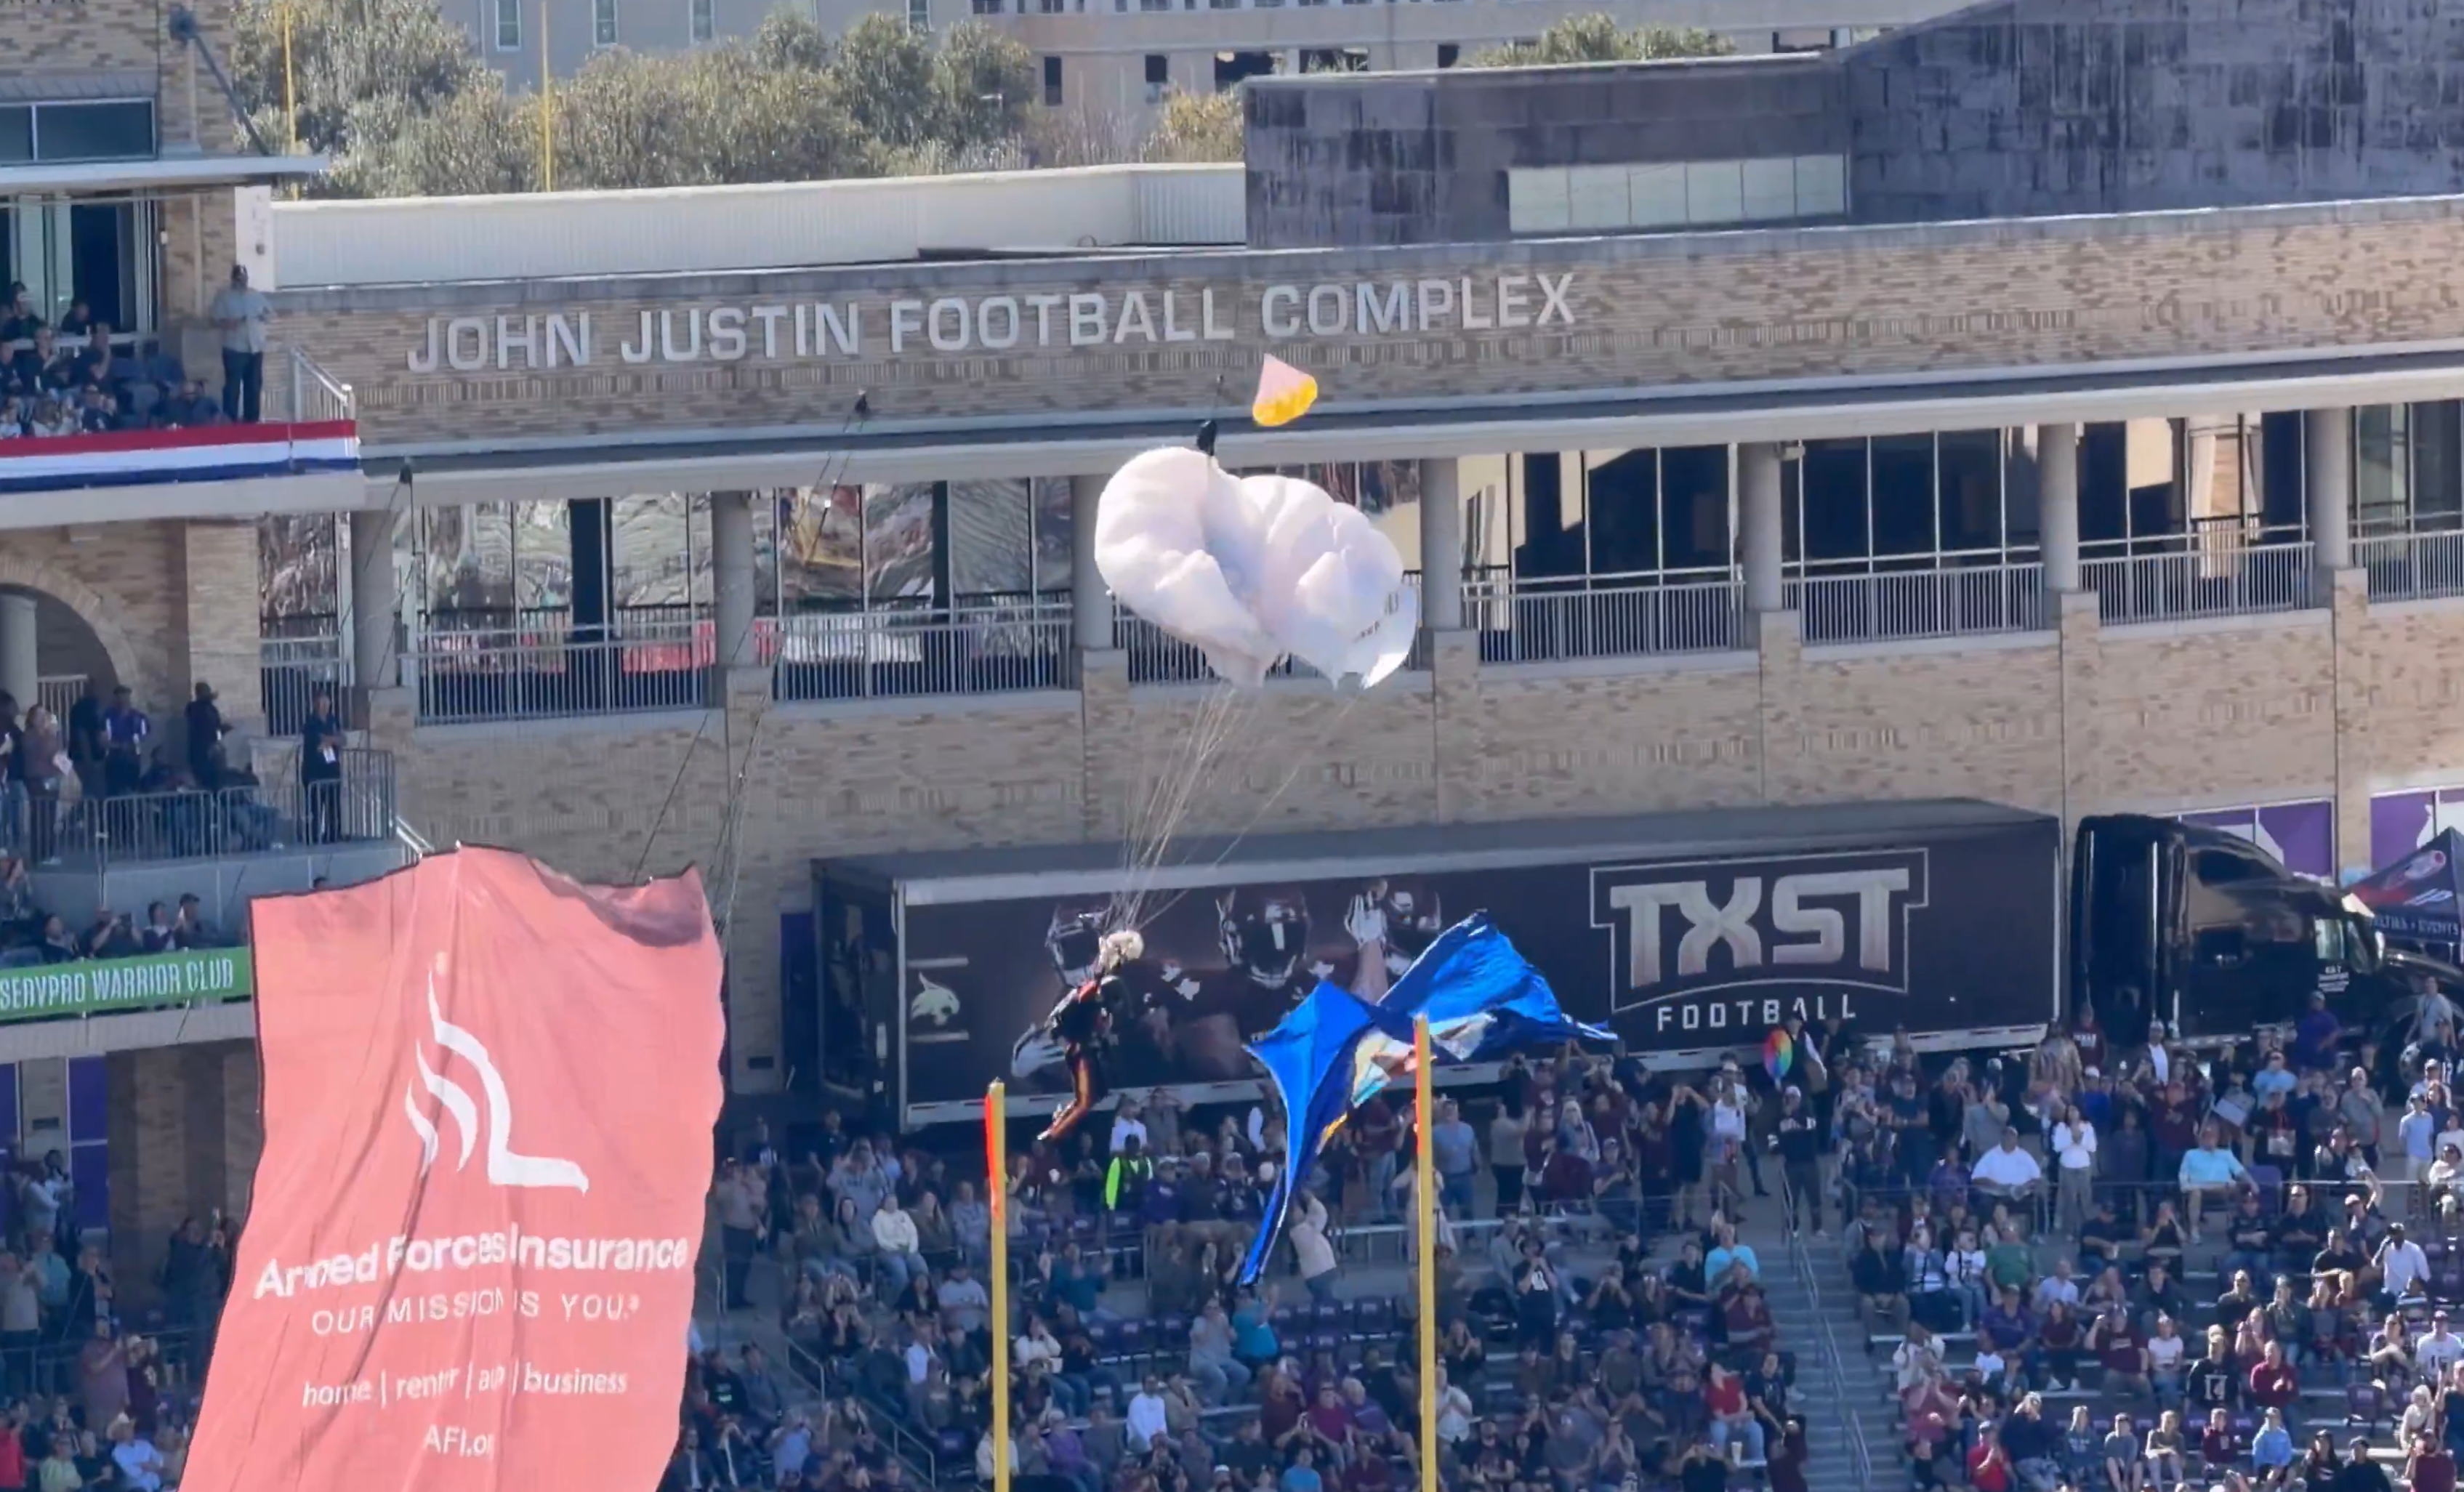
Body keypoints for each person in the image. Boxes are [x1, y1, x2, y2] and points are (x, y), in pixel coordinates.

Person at [1031, 930, 1154, 1144]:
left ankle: (1055, 1128)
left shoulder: (1096, 996)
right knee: (1085, 1101)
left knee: (1093, 1096)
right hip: (1081, 1050)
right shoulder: (1090, 993)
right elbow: (1080, 1002)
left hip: (1087, 1049)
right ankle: (1052, 1134)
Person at [207, 266, 269, 424]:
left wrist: (263, 316)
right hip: (234, 348)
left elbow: (269, 313)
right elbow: (214, 320)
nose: (242, 282)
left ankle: (252, 420)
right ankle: (230, 420)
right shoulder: (224, 297)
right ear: (233, 279)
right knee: (232, 387)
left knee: (254, 386)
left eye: (244, 279)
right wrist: (229, 323)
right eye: (239, 279)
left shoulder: (255, 295)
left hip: (254, 348)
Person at [299, 688, 344, 844]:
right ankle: (314, 838)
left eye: (327, 702)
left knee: (334, 807)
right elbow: (318, 741)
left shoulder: (333, 720)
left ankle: (334, 835)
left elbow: (341, 740)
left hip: (332, 770)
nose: (324, 705)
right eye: (321, 702)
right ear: (315, 704)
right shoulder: (311, 723)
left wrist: (331, 739)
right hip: (315, 772)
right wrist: (332, 739)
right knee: (316, 808)